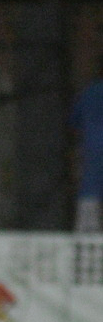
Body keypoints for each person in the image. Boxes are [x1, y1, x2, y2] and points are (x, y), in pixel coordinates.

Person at [69, 56, 103, 232]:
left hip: (92, 148)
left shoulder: (88, 93)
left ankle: (88, 232)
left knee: (90, 189)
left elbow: (74, 123)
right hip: (93, 148)